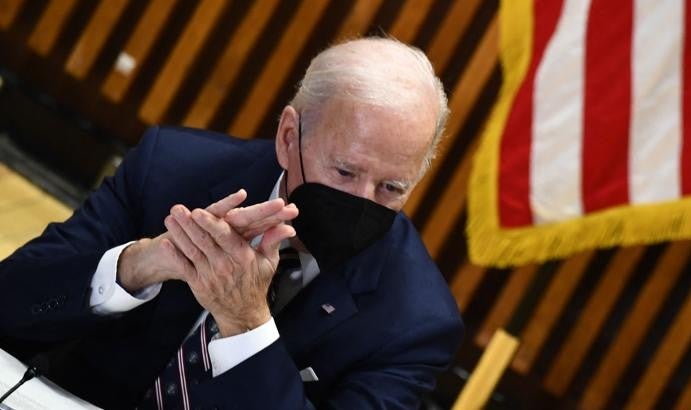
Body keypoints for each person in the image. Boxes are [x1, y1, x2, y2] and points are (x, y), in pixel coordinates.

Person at [0, 38, 464, 409]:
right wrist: (136, 267)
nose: (361, 201)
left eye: (392, 189)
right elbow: (11, 301)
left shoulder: (415, 320)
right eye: (344, 172)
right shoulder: (174, 169)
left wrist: (247, 325)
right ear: (289, 137)